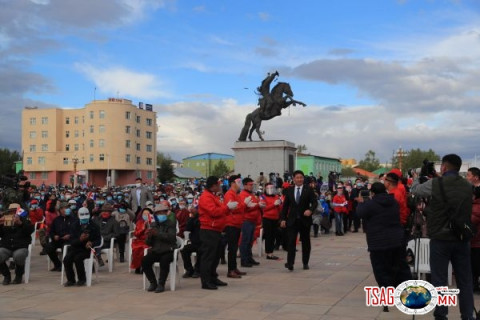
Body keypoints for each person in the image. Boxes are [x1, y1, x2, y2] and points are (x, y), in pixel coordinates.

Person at [411, 154, 475, 320]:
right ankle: (467, 315)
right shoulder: (468, 185)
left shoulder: (435, 184)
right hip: (462, 238)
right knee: (464, 279)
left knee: (439, 279)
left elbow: (415, 190)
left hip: (440, 238)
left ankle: (441, 315)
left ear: (444, 167)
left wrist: (417, 177)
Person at [356, 182, 412, 312]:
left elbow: (359, 213)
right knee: (400, 267)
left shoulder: (370, 204)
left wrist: (361, 202)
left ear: (373, 193)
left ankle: (387, 300)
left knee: (381, 270)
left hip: (378, 243)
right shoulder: (393, 202)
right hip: (397, 240)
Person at [280, 170, 317, 271]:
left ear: (303, 179)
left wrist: (310, 210)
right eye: (297, 177)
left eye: (301, 177)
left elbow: (314, 203)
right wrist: (283, 218)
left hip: (305, 220)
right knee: (291, 242)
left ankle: (305, 262)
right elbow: (285, 206)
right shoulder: (289, 190)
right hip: (292, 220)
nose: (299, 179)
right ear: (293, 179)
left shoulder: (308, 189)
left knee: (306, 242)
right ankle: (290, 263)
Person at [198, 176, 230, 290]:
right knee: (208, 256)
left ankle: (212, 277)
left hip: (215, 229)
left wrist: (228, 208)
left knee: (215, 256)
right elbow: (214, 212)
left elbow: (220, 211)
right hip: (208, 229)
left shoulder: (212, 196)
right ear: (213, 186)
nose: (220, 187)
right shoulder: (206, 197)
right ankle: (206, 281)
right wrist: (227, 208)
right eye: (218, 185)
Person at [142, 204, 177, 293]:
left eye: (162, 213)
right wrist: (149, 236)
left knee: (164, 261)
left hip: (168, 250)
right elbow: (148, 243)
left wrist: (157, 234)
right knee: (145, 261)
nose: (161, 215)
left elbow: (171, 238)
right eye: (158, 213)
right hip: (156, 250)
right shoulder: (153, 224)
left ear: (166, 213)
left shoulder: (171, 224)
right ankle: (153, 282)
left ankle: (161, 284)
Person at [63, 207, 101, 287]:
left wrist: (92, 243)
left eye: (86, 217)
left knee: (78, 258)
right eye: (82, 217)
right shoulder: (74, 225)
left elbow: (99, 240)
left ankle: (82, 279)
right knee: (67, 259)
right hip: (75, 247)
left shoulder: (94, 226)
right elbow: (71, 241)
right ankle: (71, 280)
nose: (84, 220)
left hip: (86, 250)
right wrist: (80, 239)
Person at [0, 204, 34, 285]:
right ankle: (6, 275)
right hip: (7, 246)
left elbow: (30, 230)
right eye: (11, 211)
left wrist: (20, 223)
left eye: (15, 211)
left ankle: (19, 275)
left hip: (20, 246)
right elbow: (1, 234)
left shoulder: (26, 220)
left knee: (19, 255)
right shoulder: (6, 220)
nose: (13, 213)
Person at [223, 175, 246, 278]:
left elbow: (239, 207)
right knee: (232, 248)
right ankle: (230, 270)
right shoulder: (229, 194)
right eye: (239, 182)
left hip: (236, 223)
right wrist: (243, 205)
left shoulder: (236, 194)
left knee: (234, 247)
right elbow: (233, 208)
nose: (240, 184)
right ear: (233, 183)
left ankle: (234, 268)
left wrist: (243, 205)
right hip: (231, 224)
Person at [45, 201, 79, 272]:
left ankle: (67, 266)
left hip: (69, 240)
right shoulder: (56, 220)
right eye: (65, 208)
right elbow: (51, 231)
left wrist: (70, 235)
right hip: (58, 240)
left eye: (68, 208)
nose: (68, 209)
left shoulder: (74, 220)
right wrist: (54, 236)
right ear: (60, 210)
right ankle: (58, 265)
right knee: (48, 248)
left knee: (66, 248)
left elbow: (77, 231)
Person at [239, 177, 262, 268]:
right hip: (246, 220)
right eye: (250, 185)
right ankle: (244, 260)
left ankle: (249, 258)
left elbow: (254, 204)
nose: (252, 186)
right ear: (245, 185)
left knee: (250, 241)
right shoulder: (243, 195)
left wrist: (259, 204)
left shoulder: (251, 194)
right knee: (245, 240)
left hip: (252, 220)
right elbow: (246, 207)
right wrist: (257, 205)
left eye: (252, 185)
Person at [467, 167, 480, 293]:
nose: (467, 177)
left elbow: (472, 219)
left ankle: (475, 283)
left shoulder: (476, 206)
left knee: (475, 263)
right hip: (474, 238)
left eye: (469, 175)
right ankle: (474, 283)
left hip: (476, 238)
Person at [262, 183, 282, 259]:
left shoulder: (276, 196)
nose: (270, 190)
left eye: (272, 188)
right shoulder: (263, 197)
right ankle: (268, 253)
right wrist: (273, 204)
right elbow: (264, 208)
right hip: (267, 218)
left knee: (273, 236)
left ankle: (271, 252)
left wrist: (279, 204)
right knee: (268, 236)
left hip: (275, 219)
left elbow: (279, 209)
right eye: (268, 188)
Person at [130, 208, 153, 274]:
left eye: (147, 214)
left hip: (149, 241)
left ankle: (144, 266)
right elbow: (136, 234)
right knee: (136, 249)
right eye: (144, 214)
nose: (145, 215)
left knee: (144, 249)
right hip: (139, 240)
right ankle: (137, 266)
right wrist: (143, 228)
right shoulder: (139, 222)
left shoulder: (153, 222)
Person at [181, 208, 201, 278]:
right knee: (184, 250)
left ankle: (198, 270)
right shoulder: (192, 219)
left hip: (202, 243)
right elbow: (188, 228)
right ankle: (189, 270)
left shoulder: (202, 218)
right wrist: (191, 218)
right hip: (194, 242)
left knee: (201, 251)